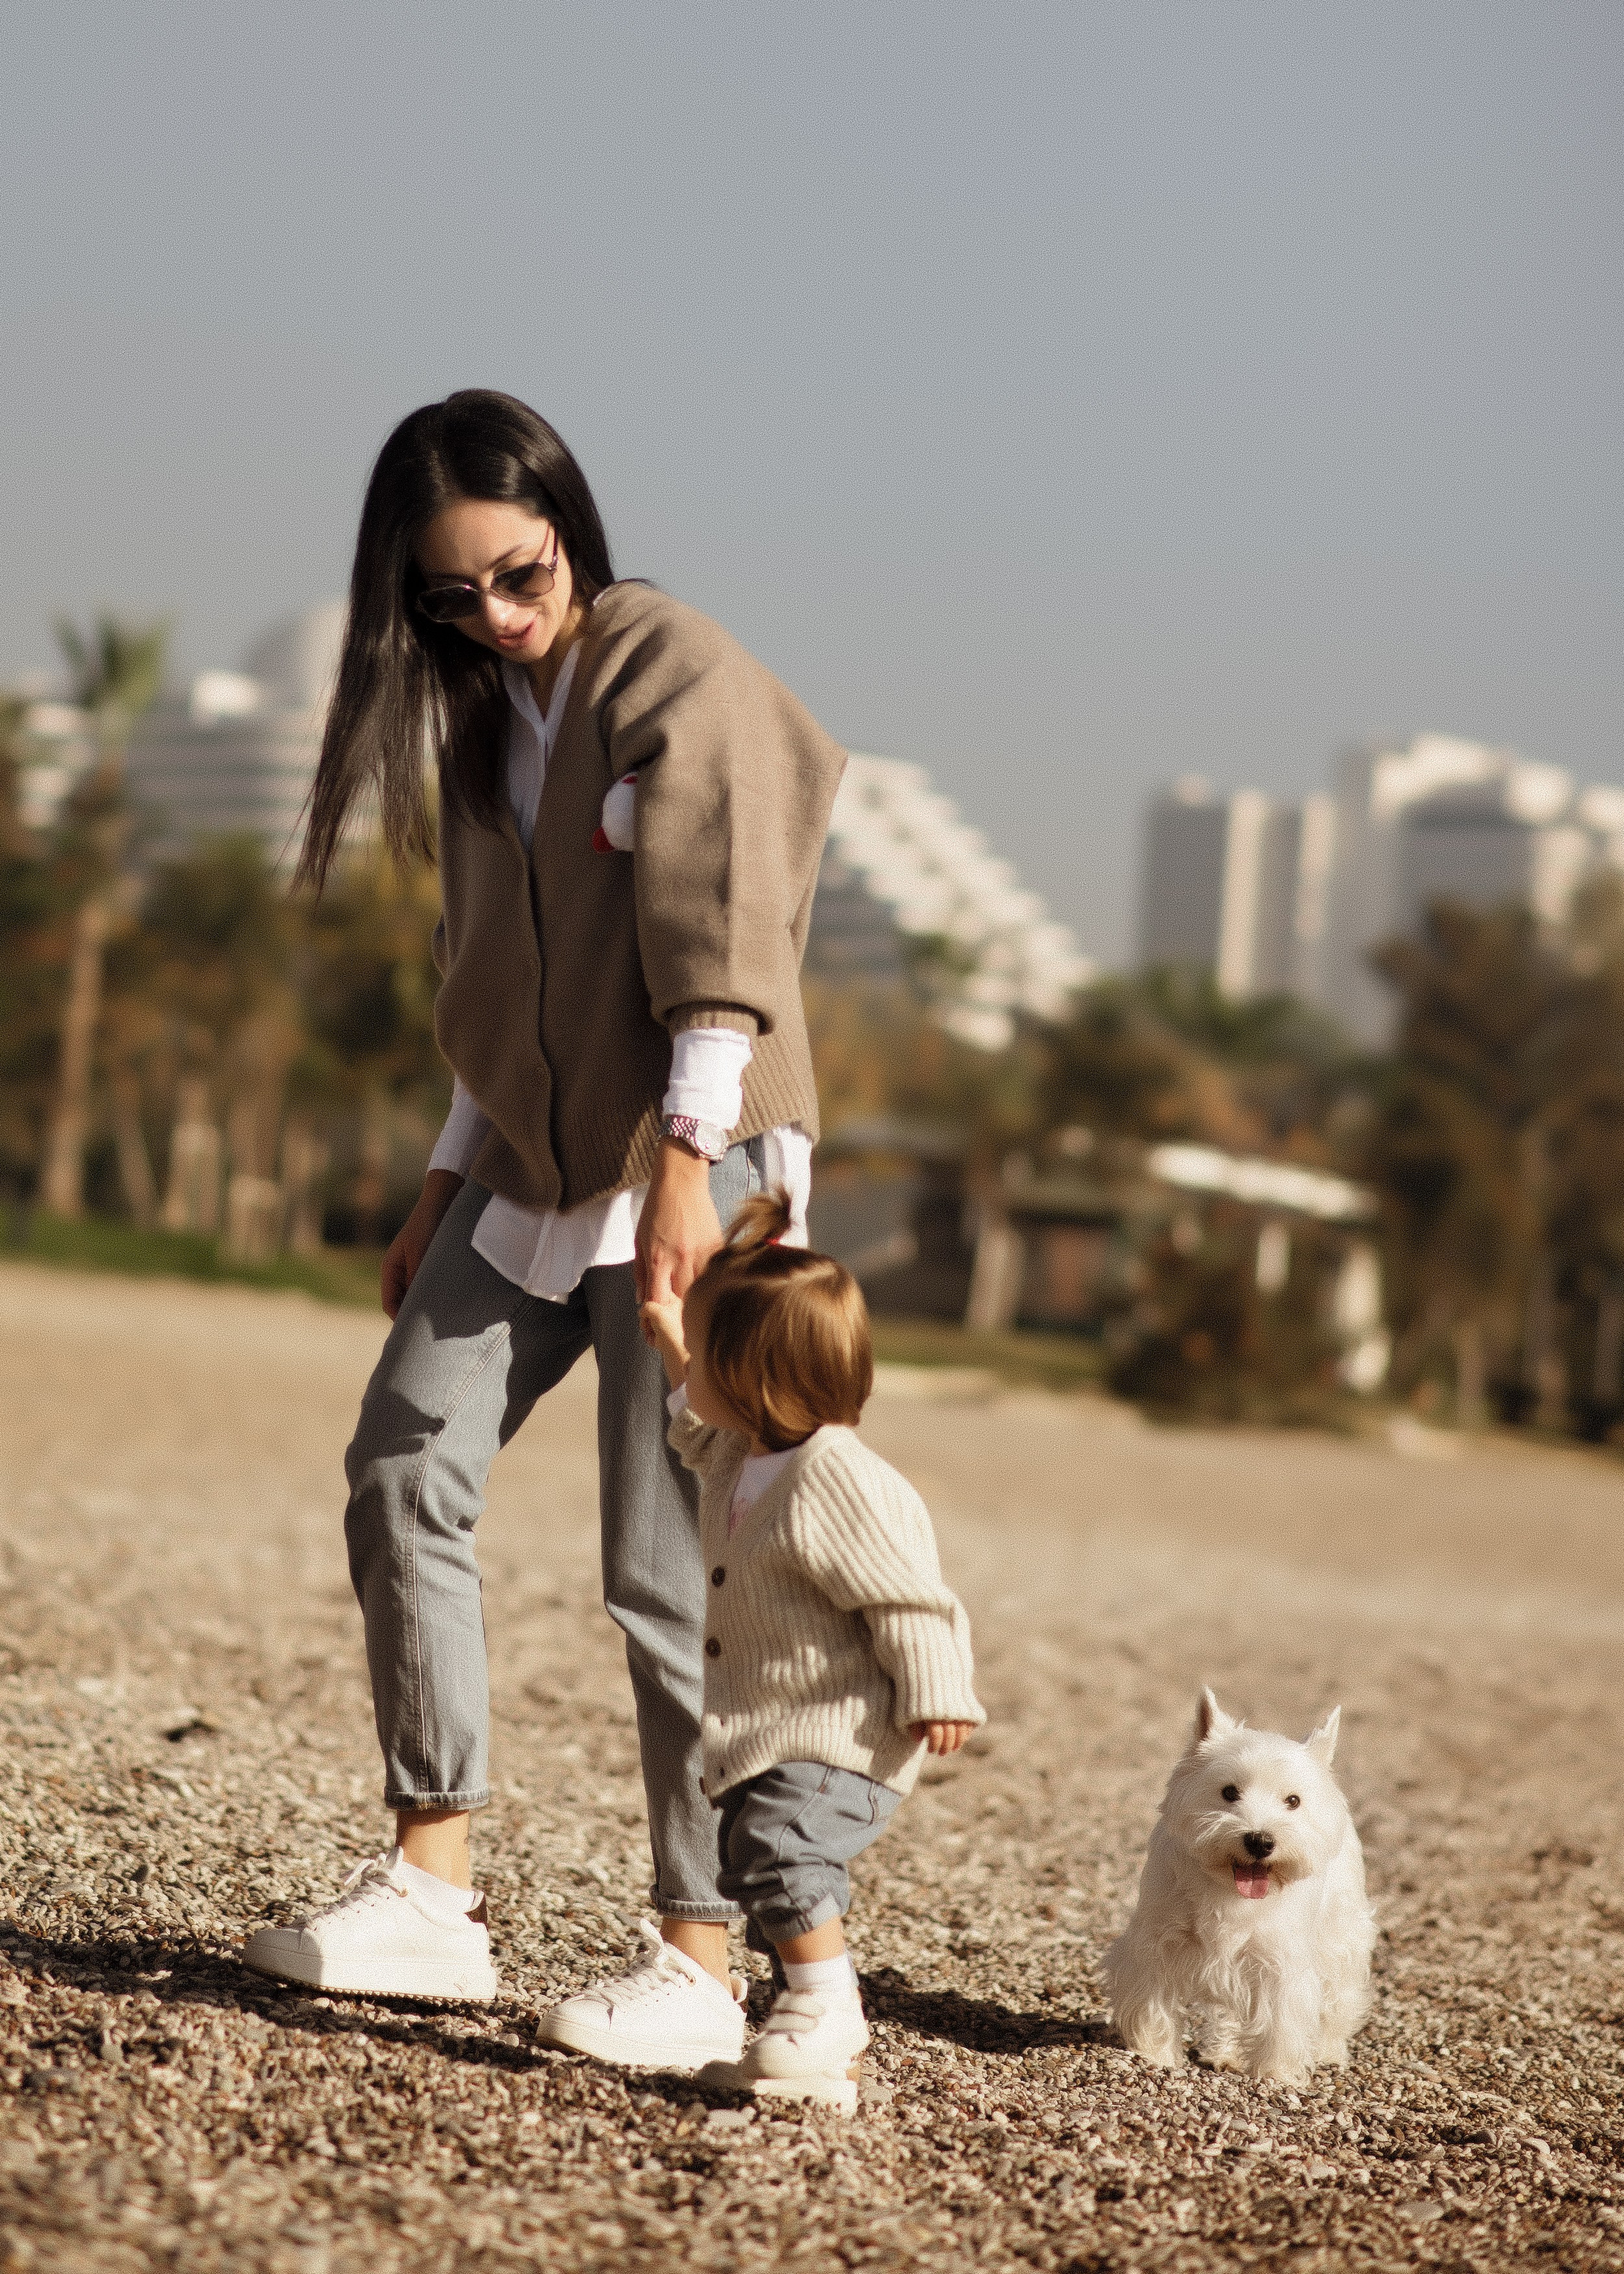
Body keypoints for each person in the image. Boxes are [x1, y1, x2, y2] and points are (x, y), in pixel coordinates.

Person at [242, 390, 847, 2075]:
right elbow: (499, 988)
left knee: (668, 1573)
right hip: (525, 1164)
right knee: (399, 1459)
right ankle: (432, 1884)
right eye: (454, 599)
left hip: (690, 1157)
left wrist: (684, 1165)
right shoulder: (475, 720)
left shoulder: (665, 659)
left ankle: (701, 1952)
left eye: (520, 573)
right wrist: (444, 1177)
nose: (501, 616)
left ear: (566, 521)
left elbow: (722, 919)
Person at [639, 1191, 985, 2111]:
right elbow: (692, 1423)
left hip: (845, 1733)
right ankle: (811, 2048)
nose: (691, 1378)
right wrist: (675, 1337)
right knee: (758, 1866)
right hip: (782, 1729)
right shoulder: (745, 1451)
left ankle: (831, 2009)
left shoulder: (838, 1477)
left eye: (708, 1358)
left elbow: (908, 1593)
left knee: (780, 1851)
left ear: (754, 1374)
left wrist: (938, 1689)